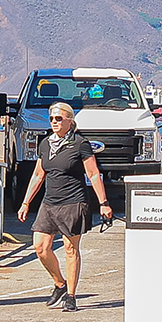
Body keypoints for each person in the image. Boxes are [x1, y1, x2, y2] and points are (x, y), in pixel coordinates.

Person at [16, 101, 112, 310]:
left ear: (70, 120)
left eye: (59, 119)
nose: (54, 122)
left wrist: (103, 203)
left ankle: (71, 295)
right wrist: (26, 202)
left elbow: (93, 174)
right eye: (51, 119)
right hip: (49, 202)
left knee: (70, 248)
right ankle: (60, 283)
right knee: (40, 247)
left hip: (73, 201)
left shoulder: (80, 144)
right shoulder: (45, 144)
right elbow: (38, 175)